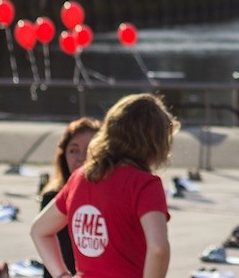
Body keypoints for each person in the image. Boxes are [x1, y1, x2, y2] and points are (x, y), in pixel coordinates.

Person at [31, 94, 179, 278]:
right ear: (156, 142)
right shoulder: (145, 184)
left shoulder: (79, 178)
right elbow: (158, 248)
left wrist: (61, 275)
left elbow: (39, 230)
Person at [38, 116, 101, 278]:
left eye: (89, 150)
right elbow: (42, 237)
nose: (81, 157)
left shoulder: (109, 196)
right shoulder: (53, 197)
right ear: (63, 155)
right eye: (73, 150)